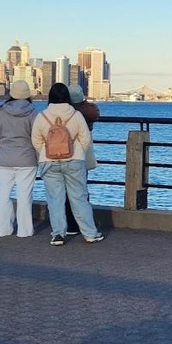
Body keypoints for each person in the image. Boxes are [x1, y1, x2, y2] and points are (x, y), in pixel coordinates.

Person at [31, 82, 104, 246]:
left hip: (48, 161)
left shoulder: (42, 116)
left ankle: (58, 234)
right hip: (74, 161)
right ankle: (90, 234)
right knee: (79, 198)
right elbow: (85, 139)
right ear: (67, 97)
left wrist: (46, 151)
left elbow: (36, 141)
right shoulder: (76, 115)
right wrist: (76, 152)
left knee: (55, 199)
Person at [0, 80, 38, 237]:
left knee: (3, 195)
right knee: (24, 196)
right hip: (26, 159)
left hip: (3, 159)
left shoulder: (1, 113)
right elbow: (36, 139)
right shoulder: (33, 114)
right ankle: (25, 230)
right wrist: (39, 158)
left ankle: (3, 229)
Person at [64, 84, 100, 235]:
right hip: (82, 155)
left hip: (64, 153)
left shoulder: (66, 112)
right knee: (81, 191)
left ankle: (70, 224)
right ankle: (85, 224)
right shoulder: (88, 111)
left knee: (65, 192)